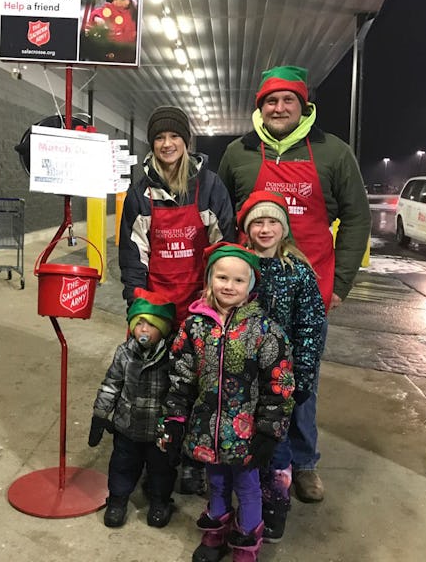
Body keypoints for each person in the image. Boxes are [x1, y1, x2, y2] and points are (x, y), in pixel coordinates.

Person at [217, 65, 370, 503]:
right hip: (247, 293)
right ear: (259, 107)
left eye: (288, 100)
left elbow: (358, 218)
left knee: (301, 382)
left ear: (304, 106)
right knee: (242, 378)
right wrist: (223, 280)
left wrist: (339, 283)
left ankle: (302, 463)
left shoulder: (333, 152)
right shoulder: (239, 153)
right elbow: (223, 217)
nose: (279, 108)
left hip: (310, 291)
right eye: (271, 100)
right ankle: (243, 454)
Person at [119, 106, 235, 495]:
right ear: (152, 144)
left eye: (174, 136)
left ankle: (193, 461)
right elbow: (133, 256)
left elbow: (224, 250)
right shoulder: (140, 193)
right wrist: (138, 309)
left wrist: (218, 303)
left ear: (186, 141)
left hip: (201, 308)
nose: (167, 144)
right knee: (155, 389)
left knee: (200, 390)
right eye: (159, 138)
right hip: (157, 309)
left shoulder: (211, 187)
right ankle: (159, 461)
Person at [159, 242, 295, 562]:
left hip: (246, 433)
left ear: (251, 285)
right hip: (207, 429)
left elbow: (280, 383)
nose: (229, 286)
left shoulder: (264, 331)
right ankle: (215, 532)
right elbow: (180, 375)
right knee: (216, 482)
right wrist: (175, 419)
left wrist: (268, 430)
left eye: (238, 280)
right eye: (222, 277)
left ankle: (247, 543)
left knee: (248, 488)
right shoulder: (194, 326)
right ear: (209, 280)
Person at [237, 191, 325, 542]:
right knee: (241, 438)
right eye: (257, 221)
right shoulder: (238, 265)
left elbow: (310, 326)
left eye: (273, 221)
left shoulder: (299, 272)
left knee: (277, 442)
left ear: (284, 228)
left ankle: (275, 506)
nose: (265, 228)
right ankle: (246, 504)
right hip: (241, 374)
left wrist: (302, 374)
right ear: (247, 228)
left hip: (280, 377)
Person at [88, 288, 178, 529]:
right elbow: (111, 384)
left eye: (151, 325)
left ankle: (160, 501)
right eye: (139, 324)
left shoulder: (172, 358)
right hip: (126, 427)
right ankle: (117, 501)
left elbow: (180, 392)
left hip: (160, 431)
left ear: (164, 328)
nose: (144, 330)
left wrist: (178, 422)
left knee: (161, 469)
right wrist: (100, 414)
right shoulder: (124, 353)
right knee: (121, 466)